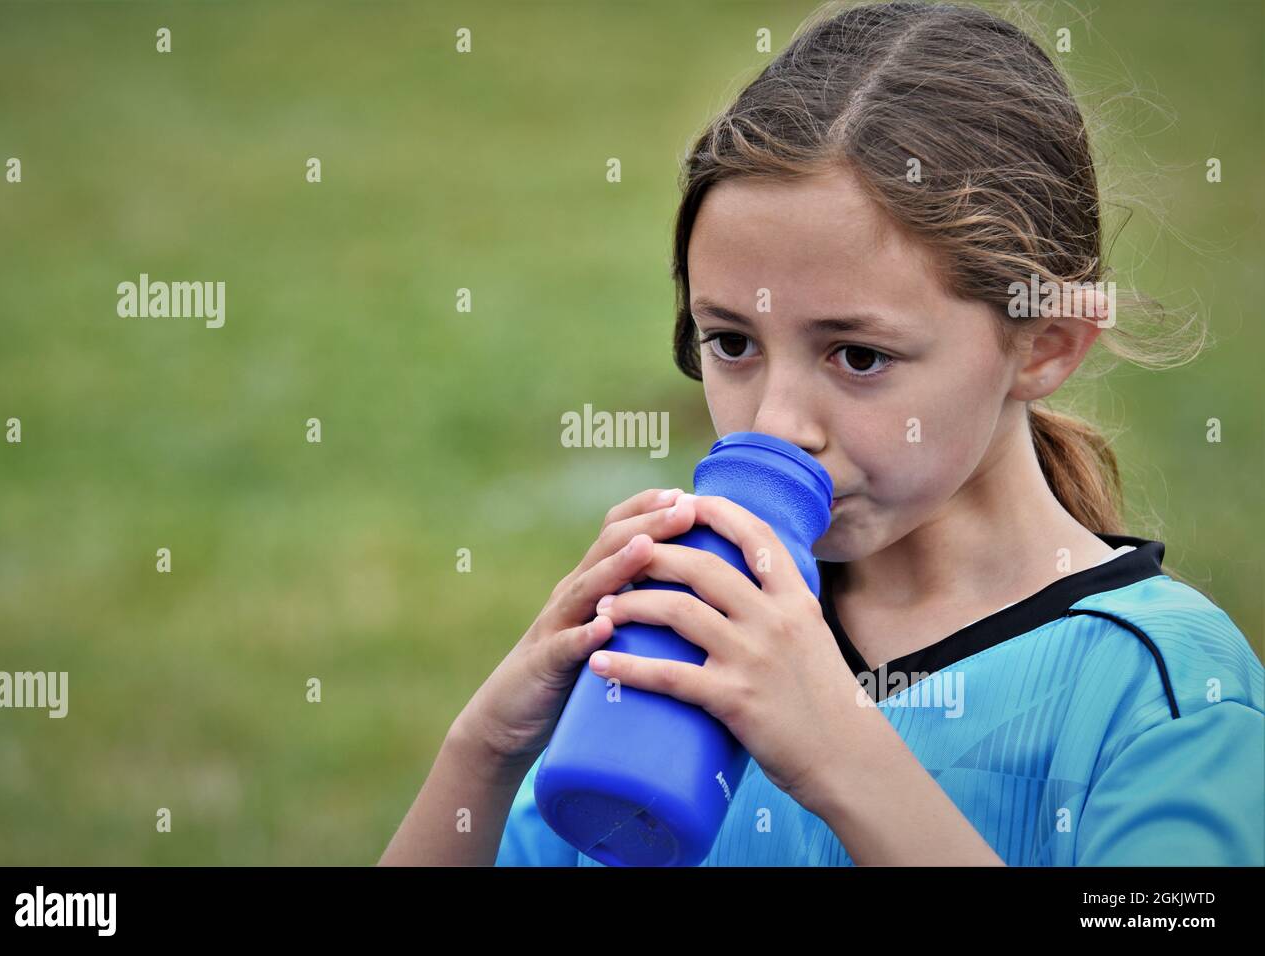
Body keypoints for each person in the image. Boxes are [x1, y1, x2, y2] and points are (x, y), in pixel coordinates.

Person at [378, 0, 1264, 867]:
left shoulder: (1160, 688)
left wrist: (844, 759)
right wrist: (484, 755)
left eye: (858, 356)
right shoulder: (696, 636)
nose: (777, 425)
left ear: (1043, 346)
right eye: (731, 343)